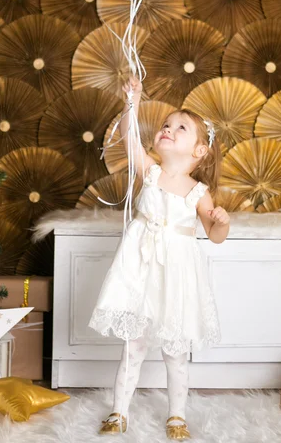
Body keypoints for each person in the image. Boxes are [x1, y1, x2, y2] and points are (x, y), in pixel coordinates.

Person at [88, 74, 230, 439]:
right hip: (141, 269)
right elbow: (129, 138)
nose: (168, 129)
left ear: (199, 151)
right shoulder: (150, 172)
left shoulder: (199, 191)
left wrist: (220, 223)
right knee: (132, 346)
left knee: (174, 349)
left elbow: (214, 237)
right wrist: (131, 102)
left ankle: (177, 415)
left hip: (176, 276)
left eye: (181, 128)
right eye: (166, 125)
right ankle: (119, 412)